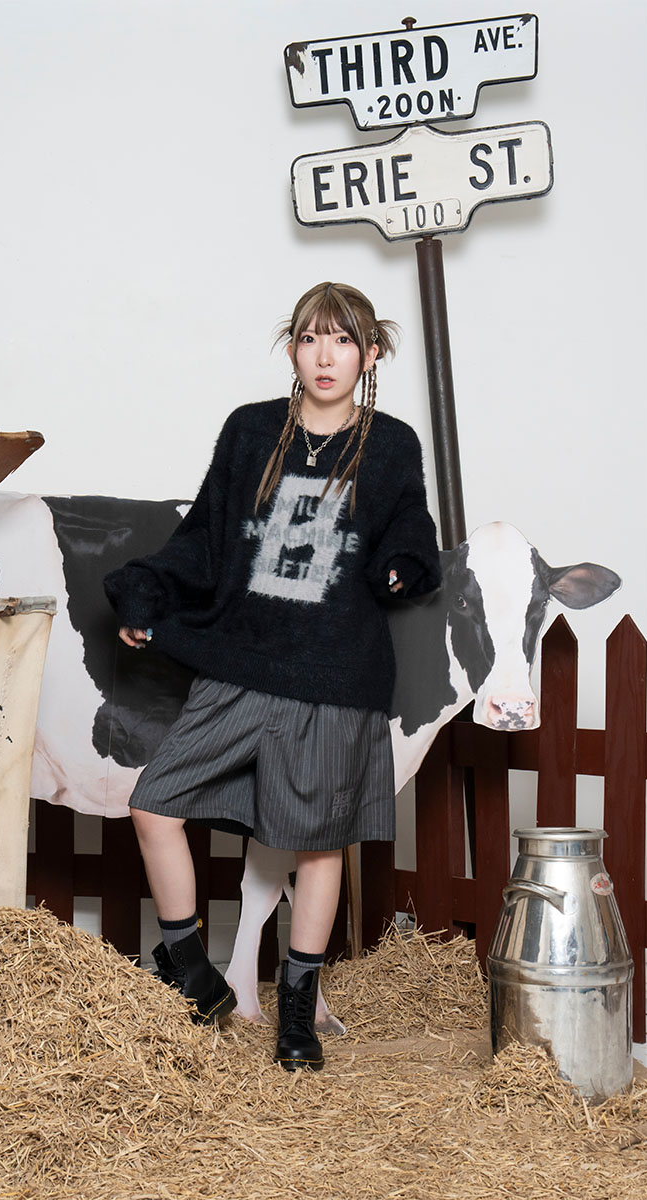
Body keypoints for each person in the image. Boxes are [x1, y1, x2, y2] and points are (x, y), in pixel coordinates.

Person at [104, 281, 441, 1070]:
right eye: (311, 338)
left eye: (344, 340)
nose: (326, 356)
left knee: (318, 848)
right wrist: (146, 595)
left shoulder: (392, 445)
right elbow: (204, 538)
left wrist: (399, 565)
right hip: (244, 664)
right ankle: (194, 971)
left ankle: (295, 1015)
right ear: (292, 348)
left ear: (371, 354)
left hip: (334, 674)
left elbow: (411, 527)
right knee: (153, 806)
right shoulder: (251, 430)